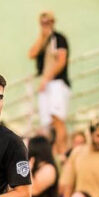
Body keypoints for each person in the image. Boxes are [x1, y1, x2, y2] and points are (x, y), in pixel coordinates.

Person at [27, 11, 71, 155]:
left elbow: (61, 61)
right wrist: (42, 36)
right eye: (43, 23)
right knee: (47, 122)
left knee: (57, 118)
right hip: (45, 85)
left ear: (53, 22)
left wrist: (47, 78)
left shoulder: (59, 39)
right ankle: (52, 151)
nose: (45, 25)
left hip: (57, 82)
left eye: (48, 22)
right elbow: (31, 54)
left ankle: (61, 151)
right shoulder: (43, 41)